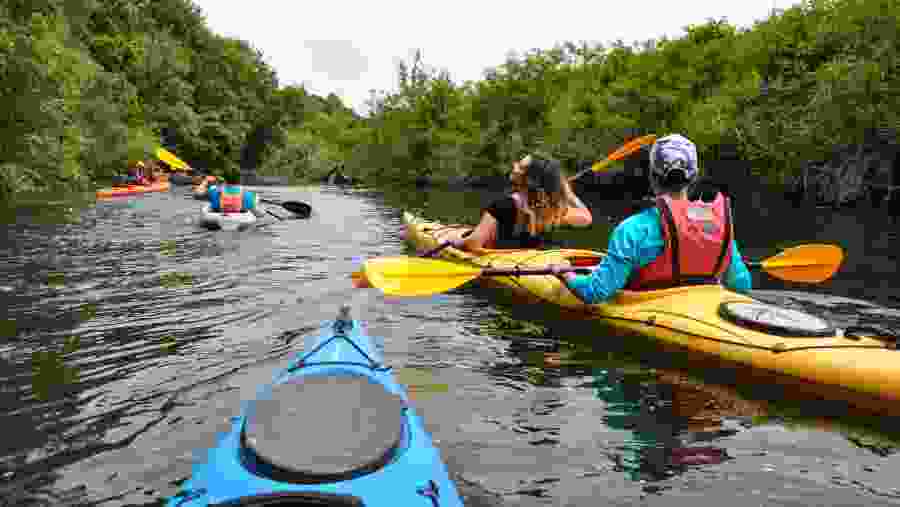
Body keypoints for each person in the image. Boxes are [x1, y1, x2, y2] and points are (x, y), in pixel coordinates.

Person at [552, 134, 752, 302]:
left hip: (652, 312)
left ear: (651, 175)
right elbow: (741, 285)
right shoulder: (712, 222)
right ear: (694, 176)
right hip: (701, 311)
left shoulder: (633, 229)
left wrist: (566, 273)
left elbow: (596, 292)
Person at [453, 155, 593, 252]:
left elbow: (473, 244)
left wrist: (455, 242)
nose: (514, 166)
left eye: (520, 166)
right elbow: (586, 218)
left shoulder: (502, 205)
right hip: (536, 259)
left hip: (503, 259)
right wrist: (569, 194)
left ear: (529, 180)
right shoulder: (552, 209)